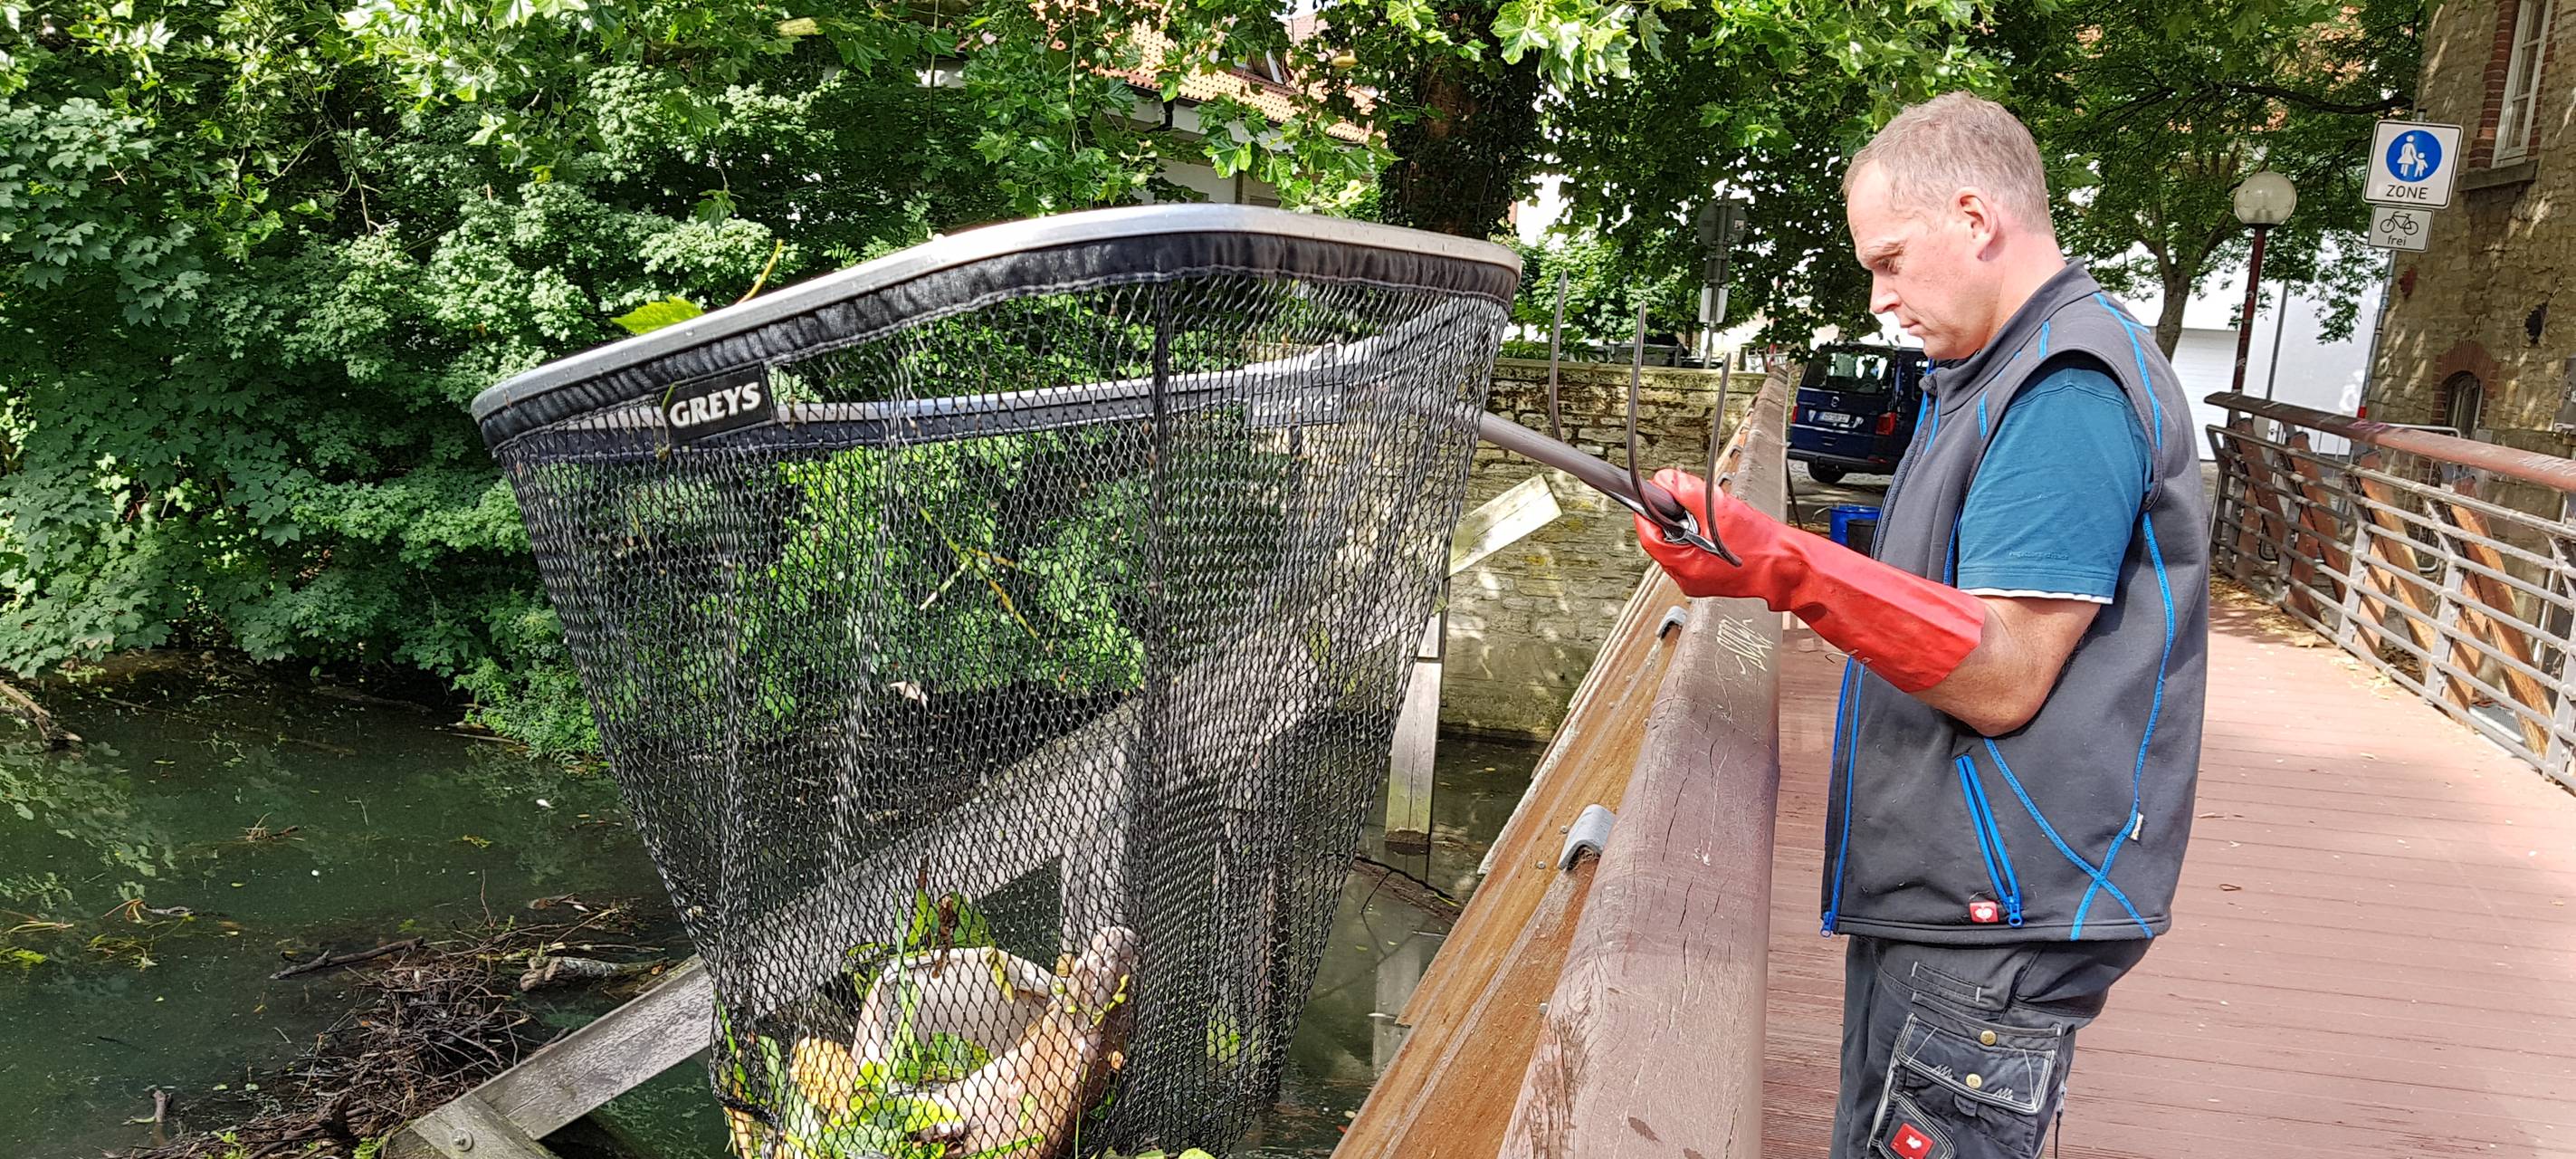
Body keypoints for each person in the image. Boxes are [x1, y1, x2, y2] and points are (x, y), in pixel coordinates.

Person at [1633, 92, 2209, 1159]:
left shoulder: (2063, 384)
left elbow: (2001, 669)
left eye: (1890, 258)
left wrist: (1784, 563)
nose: (1880, 295)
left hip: (1996, 901)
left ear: (1974, 217)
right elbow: (1938, 599)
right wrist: (1752, 567)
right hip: (1964, 893)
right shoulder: (1995, 371)